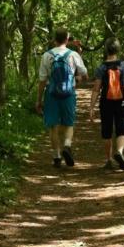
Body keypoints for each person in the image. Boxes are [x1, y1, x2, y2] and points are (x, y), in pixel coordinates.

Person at [37, 29, 89, 168]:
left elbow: (42, 80)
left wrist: (39, 100)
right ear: (67, 40)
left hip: (51, 94)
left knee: (53, 126)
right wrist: (78, 57)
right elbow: (84, 73)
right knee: (69, 123)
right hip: (68, 94)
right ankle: (67, 145)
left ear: (55, 39)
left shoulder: (46, 56)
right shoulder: (73, 55)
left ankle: (57, 157)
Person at [89, 38, 124, 171]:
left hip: (106, 102)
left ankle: (109, 160)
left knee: (107, 131)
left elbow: (96, 89)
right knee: (122, 129)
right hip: (122, 101)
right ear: (118, 49)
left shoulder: (101, 67)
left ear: (106, 50)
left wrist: (91, 107)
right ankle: (120, 152)